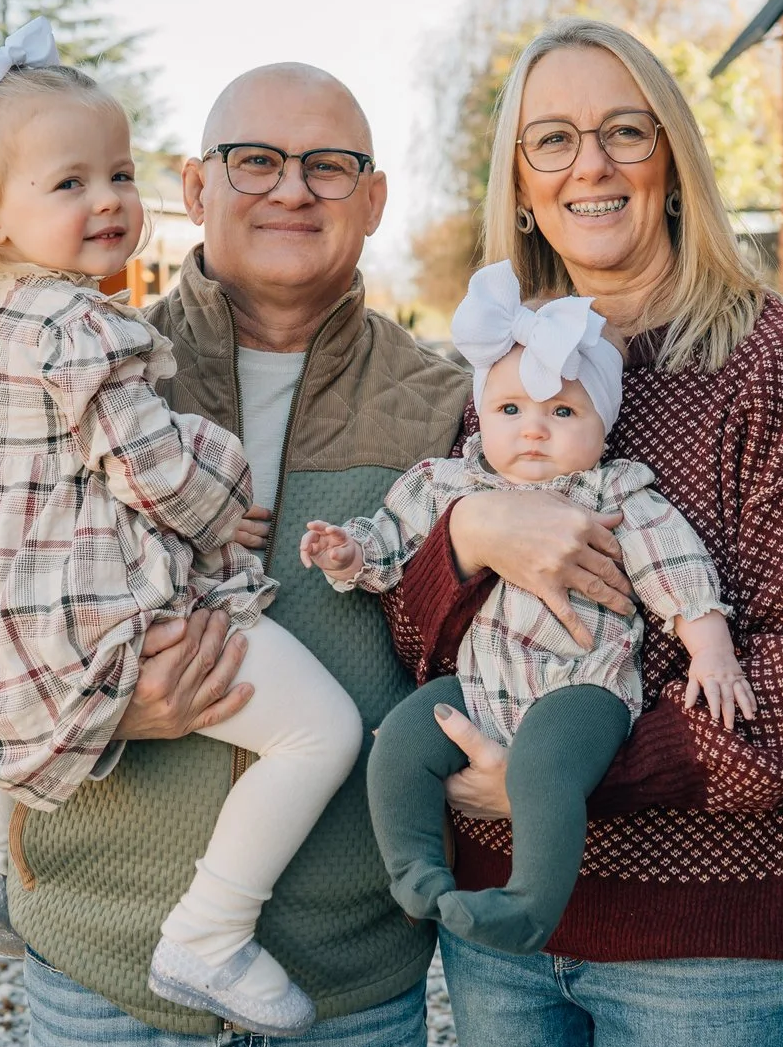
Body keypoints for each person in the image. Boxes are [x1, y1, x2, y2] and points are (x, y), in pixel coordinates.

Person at [379, 18, 783, 1047]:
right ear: (520, 178)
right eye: (551, 138)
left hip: (705, 947)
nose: (588, 163)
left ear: (671, 156)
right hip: (507, 932)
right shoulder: (497, 377)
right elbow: (415, 630)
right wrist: (468, 534)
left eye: (623, 128)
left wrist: (558, 781)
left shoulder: (774, 366)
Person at [0, 58, 471, 1047]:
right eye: (255, 161)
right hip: (105, 959)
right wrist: (110, 702)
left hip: (347, 975)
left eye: (329, 165)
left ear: (374, 202)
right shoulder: (81, 366)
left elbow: (489, 657)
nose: (290, 190)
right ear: (196, 189)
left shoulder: (448, 407)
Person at [0, 19, 368, 1037]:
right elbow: (165, 483)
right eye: (68, 184)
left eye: (114, 172)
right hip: (93, 617)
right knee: (321, 729)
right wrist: (226, 488)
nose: (106, 200)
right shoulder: (87, 331)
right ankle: (208, 930)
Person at [302, 260, 753, 953]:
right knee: (400, 739)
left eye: (562, 411)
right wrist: (348, 551)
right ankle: (417, 872)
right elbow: (391, 546)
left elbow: (677, 566)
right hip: (484, 683)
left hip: (582, 686)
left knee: (544, 769)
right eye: (511, 410)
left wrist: (711, 646)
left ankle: (530, 905)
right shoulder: (449, 484)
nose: (533, 430)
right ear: (482, 412)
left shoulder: (616, 495)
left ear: (604, 423)